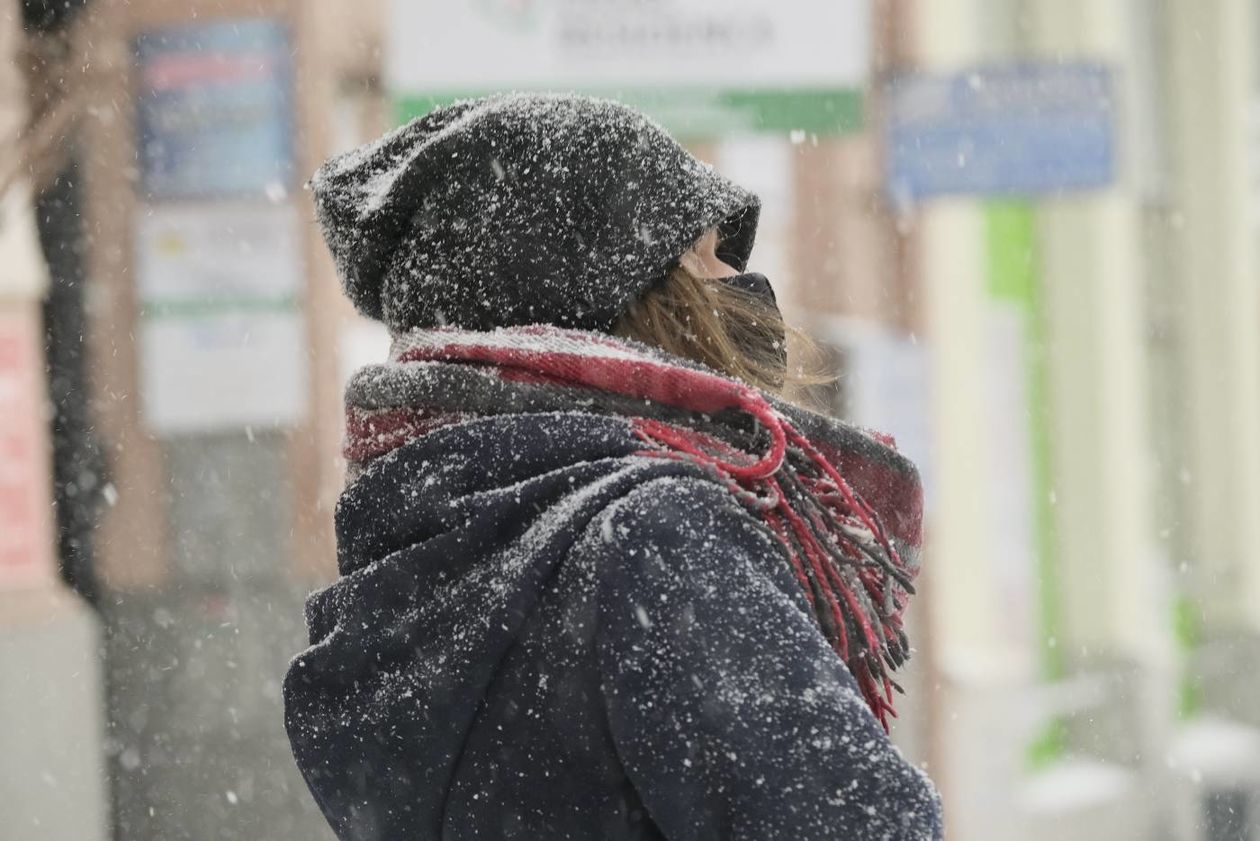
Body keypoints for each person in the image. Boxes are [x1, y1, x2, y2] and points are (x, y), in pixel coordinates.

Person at [284, 93, 942, 840]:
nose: (737, 279)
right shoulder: (654, 534)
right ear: (604, 290)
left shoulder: (425, 552)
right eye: (705, 250)